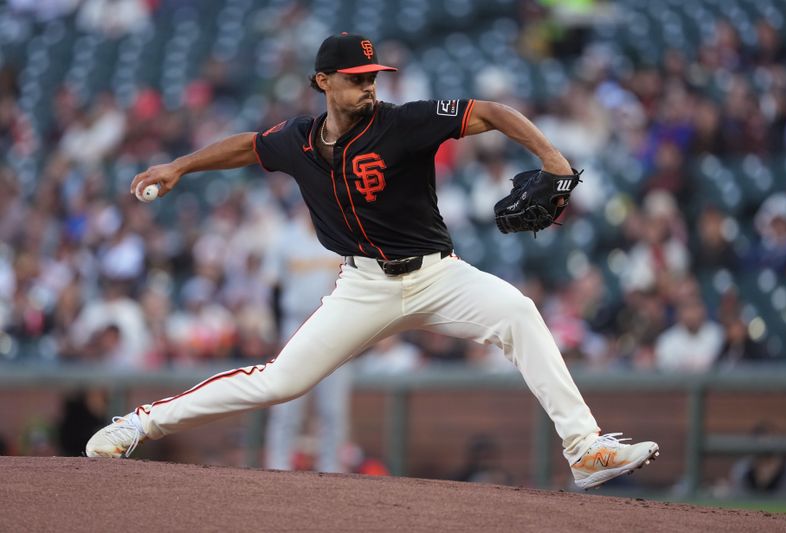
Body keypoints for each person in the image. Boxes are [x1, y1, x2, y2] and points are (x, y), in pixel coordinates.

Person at [86, 33, 659, 489]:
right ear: (323, 82)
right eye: (356, 79)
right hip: (362, 287)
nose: (368, 86)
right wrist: (180, 167)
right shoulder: (298, 140)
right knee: (280, 383)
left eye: (373, 76)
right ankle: (138, 423)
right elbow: (247, 145)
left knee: (518, 312)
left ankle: (584, 449)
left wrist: (553, 158)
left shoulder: (404, 122)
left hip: (438, 273)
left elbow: (491, 112)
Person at [264, 204, 348, 473]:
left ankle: (332, 467)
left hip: (335, 326)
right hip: (295, 322)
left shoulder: (344, 233)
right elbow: (273, 290)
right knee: (286, 401)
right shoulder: (285, 237)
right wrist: (278, 332)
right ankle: (278, 465)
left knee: (333, 408)